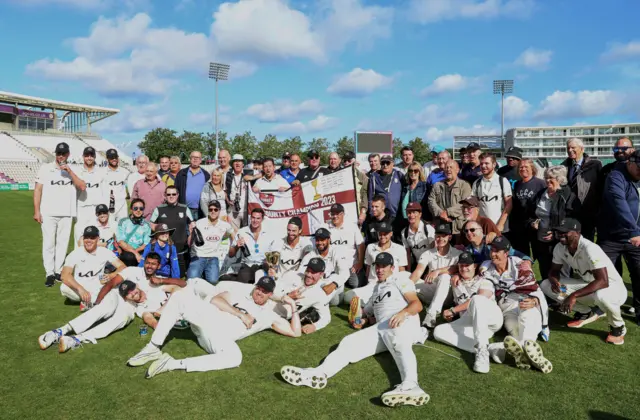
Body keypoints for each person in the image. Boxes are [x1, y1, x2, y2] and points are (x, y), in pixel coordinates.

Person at [280, 252, 429, 408]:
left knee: (396, 338)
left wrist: (402, 313)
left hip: (404, 321)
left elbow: (416, 305)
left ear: (392, 267)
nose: (379, 269)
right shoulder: (377, 289)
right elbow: (367, 315)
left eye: (383, 266)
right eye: (377, 266)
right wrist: (361, 320)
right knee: (348, 342)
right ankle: (318, 373)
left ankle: (411, 385)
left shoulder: (400, 279)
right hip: (383, 327)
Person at [127, 277, 302, 378]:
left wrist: (292, 306)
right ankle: (154, 347)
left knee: (235, 358)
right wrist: (240, 314)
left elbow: (295, 333)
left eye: (264, 291)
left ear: (270, 294)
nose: (259, 292)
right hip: (209, 319)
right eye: (259, 288)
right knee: (179, 297)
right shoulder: (241, 295)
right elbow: (215, 299)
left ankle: (172, 364)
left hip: (219, 338)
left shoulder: (269, 316)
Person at [38, 253, 183, 352]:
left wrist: (162, 281)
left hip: (132, 305)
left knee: (120, 320)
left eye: (153, 264)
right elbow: (110, 284)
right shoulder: (132, 271)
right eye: (148, 263)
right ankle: (59, 331)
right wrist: (98, 302)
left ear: (158, 266)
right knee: (105, 308)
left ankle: (76, 339)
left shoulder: (157, 281)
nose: (149, 266)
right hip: (118, 294)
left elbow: (183, 283)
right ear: (144, 263)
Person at [540, 219, 628, 345]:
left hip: (613, 290)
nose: (560, 235)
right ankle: (585, 312)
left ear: (577, 233)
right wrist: (554, 280)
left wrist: (573, 295)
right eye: (559, 231)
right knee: (545, 285)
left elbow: (603, 281)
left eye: (565, 232)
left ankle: (618, 327)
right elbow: (554, 271)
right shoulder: (560, 247)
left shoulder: (590, 248)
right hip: (588, 287)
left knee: (601, 295)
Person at [478, 237, 551, 373]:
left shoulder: (520, 265)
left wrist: (535, 302)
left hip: (524, 303)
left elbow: (534, 290)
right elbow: (484, 288)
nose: (493, 253)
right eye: (492, 249)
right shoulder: (486, 267)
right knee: (517, 333)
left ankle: (495, 348)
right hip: (506, 310)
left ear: (506, 253)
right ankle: (533, 357)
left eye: (497, 251)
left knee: (527, 317)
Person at [432, 252, 505, 373]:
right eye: (461, 265)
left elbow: (481, 297)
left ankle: (482, 354)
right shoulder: (455, 282)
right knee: (438, 331)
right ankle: (490, 348)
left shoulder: (484, 280)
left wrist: (453, 310)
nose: (464, 268)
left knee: (476, 299)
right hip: (470, 323)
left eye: (467, 265)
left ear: (475, 266)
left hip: (491, 320)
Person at [34, 142, 87, 286]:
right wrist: (37, 211)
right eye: (59, 153)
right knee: (49, 243)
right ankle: (49, 273)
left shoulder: (73, 169)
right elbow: (38, 190)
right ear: (55, 154)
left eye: (64, 153)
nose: (61, 156)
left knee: (62, 244)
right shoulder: (46, 168)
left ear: (68, 154)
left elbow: (82, 186)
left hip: (67, 212)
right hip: (48, 212)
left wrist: (69, 171)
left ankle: (58, 271)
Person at [599, 150, 640, 322]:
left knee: (639, 274)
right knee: (606, 275)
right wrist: (634, 231)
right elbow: (619, 202)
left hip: (636, 236)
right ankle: (606, 308)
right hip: (612, 237)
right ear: (630, 162)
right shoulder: (616, 176)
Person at [527, 165, 581, 279]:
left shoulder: (568, 195)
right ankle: (547, 296)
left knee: (562, 274)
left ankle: (563, 296)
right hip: (540, 242)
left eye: (551, 177)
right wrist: (532, 222)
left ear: (560, 179)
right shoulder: (540, 194)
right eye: (546, 177)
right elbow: (531, 213)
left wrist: (555, 232)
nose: (547, 180)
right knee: (545, 271)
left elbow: (573, 220)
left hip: (560, 242)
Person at [345, 222, 408, 308]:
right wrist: (368, 284)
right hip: (373, 284)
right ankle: (370, 305)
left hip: (392, 285)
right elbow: (368, 268)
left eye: (385, 234)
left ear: (391, 234)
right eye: (380, 234)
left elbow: (402, 271)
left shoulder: (400, 248)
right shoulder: (370, 247)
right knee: (348, 296)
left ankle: (370, 306)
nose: (382, 236)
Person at [409, 223, 461, 328]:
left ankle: (431, 314)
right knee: (404, 277)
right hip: (430, 290)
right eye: (438, 236)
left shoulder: (457, 253)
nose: (440, 238)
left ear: (449, 237)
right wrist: (407, 285)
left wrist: (437, 271)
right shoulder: (428, 253)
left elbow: (455, 268)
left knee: (445, 277)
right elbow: (418, 271)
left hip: (448, 294)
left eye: (444, 236)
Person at [60, 226, 125, 307]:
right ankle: (90, 301)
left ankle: (89, 301)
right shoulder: (75, 253)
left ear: (98, 239)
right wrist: (80, 289)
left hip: (98, 288)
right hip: (80, 288)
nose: (89, 241)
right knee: (63, 287)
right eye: (86, 238)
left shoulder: (104, 252)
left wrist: (111, 275)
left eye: (92, 238)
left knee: (117, 286)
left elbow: (123, 266)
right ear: (83, 239)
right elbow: (64, 275)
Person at [272, 257, 332, 334]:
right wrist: (288, 296)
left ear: (321, 274)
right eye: (308, 270)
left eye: (313, 272)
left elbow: (326, 318)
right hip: (267, 305)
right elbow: (270, 291)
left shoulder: (320, 293)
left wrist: (314, 327)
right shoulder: (292, 275)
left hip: (281, 318)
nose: (309, 275)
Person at [561, 137, 602, 241]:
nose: (570, 150)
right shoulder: (563, 167)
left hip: (588, 213)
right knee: (571, 243)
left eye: (573, 147)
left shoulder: (595, 165)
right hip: (570, 213)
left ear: (582, 149)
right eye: (568, 148)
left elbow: (600, 188)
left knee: (587, 244)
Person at [150, 185, 195, 278]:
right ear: (165, 195)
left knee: (180, 275)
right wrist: (159, 235)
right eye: (169, 194)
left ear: (178, 195)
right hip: (164, 247)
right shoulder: (159, 209)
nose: (171, 196)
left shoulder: (185, 208)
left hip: (180, 248)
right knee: (161, 274)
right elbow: (151, 224)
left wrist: (190, 238)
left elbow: (192, 224)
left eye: (174, 194)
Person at [298, 228, 351, 306]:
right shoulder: (310, 255)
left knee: (334, 276)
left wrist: (333, 284)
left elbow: (345, 273)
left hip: (335, 287)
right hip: (318, 286)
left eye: (322, 240)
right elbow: (301, 272)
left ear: (329, 240)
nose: (319, 242)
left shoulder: (337, 251)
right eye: (317, 240)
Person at [188, 200, 235, 283]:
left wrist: (233, 245)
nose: (213, 211)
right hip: (199, 256)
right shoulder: (199, 223)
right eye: (210, 209)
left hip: (213, 257)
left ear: (219, 211)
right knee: (191, 280)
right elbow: (189, 243)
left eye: (215, 209)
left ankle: (203, 275)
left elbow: (233, 234)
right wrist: (191, 233)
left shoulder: (225, 225)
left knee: (213, 281)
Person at [322, 204, 365, 288]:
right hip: (333, 266)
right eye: (332, 214)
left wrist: (359, 263)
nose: (334, 216)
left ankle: (342, 280)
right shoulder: (326, 227)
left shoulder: (352, 226)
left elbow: (361, 245)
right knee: (325, 285)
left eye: (337, 214)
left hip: (350, 265)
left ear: (343, 214)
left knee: (355, 284)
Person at [510, 158, 546, 257]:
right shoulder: (517, 184)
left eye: (526, 167)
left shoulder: (540, 183)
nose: (523, 169)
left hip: (536, 225)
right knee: (523, 255)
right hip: (521, 225)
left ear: (532, 168)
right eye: (521, 167)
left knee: (540, 255)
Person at [228, 208, 273, 283]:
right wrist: (237, 247)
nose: (255, 221)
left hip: (263, 265)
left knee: (264, 286)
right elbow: (231, 254)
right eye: (253, 218)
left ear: (262, 219)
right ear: (250, 218)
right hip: (247, 265)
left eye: (258, 218)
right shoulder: (242, 232)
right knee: (242, 285)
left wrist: (269, 266)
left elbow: (272, 256)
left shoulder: (269, 233)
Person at [428, 160, 472, 237]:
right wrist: (441, 213)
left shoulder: (465, 185)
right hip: (441, 226)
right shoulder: (437, 185)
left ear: (457, 170)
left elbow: (465, 204)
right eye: (446, 167)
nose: (448, 169)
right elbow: (431, 201)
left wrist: (447, 212)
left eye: (451, 167)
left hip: (459, 228)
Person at [471, 153, 512, 233]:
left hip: (499, 228)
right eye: (481, 163)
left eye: (486, 163)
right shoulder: (477, 183)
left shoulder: (502, 181)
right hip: (482, 228)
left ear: (494, 164)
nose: (483, 166)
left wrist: (500, 224)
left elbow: (509, 204)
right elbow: (473, 205)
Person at [74, 146, 106, 247]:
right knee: (79, 234)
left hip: (96, 208)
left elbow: (104, 191)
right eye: (87, 155)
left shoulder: (101, 172)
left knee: (95, 235)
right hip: (81, 207)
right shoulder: (77, 171)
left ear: (95, 157)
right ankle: (77, 259)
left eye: (91, 155)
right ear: (83, 157)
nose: (89, 158)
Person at [368, 155, 404, 225]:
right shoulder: (374, 176)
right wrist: (371, 213)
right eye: (383, 163)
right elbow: (370, 197)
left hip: (396, 215)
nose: (385, 165)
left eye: (387, 163)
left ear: (392, 163)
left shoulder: (399, 175)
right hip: (380, 215)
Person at [117, 199, 153, 267]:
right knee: (130, 257)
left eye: (141, 208)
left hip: (139, 252)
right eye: (135, 208)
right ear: (131, 209)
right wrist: (135, 253)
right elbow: (120, 242)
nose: (138, 210)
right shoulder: (123, 222)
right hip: (126, 251)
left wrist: (136, 252)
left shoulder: (146, 225)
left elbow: (145, 244)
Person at [175, 151, 211, 219]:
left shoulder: (206, 175)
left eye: (197, 157)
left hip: (201, 210)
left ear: (200, 160)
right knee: (185, 229)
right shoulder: (182, 173)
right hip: (185, 209)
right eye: (193, 157)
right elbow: (176, 190)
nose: (195, 159)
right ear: (190, 159)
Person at [401, 202, 435, 271]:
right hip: (418, 265)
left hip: (431, 265)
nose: (411, 215)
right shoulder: (404, 232)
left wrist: (431, 271)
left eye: (414, 212)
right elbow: (408, 254)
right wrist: (409, 271)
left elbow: (434, 250)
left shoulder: (428, 229)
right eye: (409, 212)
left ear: (420, 214)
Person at [342, 151, 369, 227]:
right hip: (342, 213)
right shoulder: (339, 176)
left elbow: (365, 196)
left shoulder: (362, 177)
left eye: (349, 160)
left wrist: (363, 212)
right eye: (344, 161)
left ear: (354, 161)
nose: (346, 163)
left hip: (357, 213)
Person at [103, 148, 129, 223]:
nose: (114, 159)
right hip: (108, 204)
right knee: (109, 229)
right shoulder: (101, 172)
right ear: (107, 158)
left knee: (123, 228)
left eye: (115, 157)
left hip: (122, 205)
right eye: (111, 157)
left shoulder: (125, 172)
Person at [226, 154, 250, 230]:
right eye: (235, 161)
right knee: (233, 235)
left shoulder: (249, 173)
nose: (237, 163)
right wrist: (228, 201)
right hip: (232, 211)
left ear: (243, 164)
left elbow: (262, 173)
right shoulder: (227, 175)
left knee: (246, 235)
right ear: (232, 164)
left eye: (239, 161)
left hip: (246, 211)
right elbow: (224, 191)